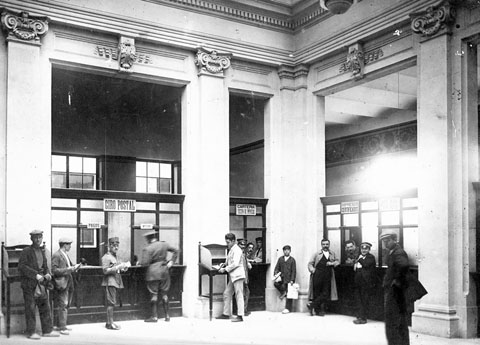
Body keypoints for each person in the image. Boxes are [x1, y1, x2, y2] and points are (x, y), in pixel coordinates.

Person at [18, 230, 60, 339]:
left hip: (42, 284)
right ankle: (31, 332)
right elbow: (22, 267)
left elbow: (45, 266)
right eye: (36, 237)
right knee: (31, 308)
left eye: (40, 237)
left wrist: (47, 274)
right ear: (31, 239)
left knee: (45, 306)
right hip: (29, 284)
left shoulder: (42, 251)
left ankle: (47, 331)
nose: (38, 240)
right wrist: (36, 275)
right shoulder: (26, 251)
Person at [140, 231, 179, 323]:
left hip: (153, 273)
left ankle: (154, 317)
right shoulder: (164, 244)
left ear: (148, 239)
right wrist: (172, 261)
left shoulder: (148, 248)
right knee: (164, 294)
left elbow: (145, 264)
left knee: (154, 294)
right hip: (164, 271)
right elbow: (176, 250)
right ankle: (167, 316)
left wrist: (140, 263)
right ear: (156, 237)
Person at [380, 229, 410, 345]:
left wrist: (396, 281)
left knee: (393, 320)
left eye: (387, 241)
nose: (385, 243)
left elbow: (404, 266)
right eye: (383, 241)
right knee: (398, 320)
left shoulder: (398, 252)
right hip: (394, 290)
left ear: (395, 240)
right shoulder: (393, 251)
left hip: (395, 292)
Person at [52, 237, 80, 335]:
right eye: (69, 244)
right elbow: (54, 270)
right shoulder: (57, 255)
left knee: (66, 304)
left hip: (68, 282)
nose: (70, 246)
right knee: (63, 305)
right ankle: (62, 327)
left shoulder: (65, 255)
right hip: (62, 283)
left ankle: (62, 325)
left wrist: (75, 267)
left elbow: (69, 266)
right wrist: (69, 269)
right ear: (64, 245)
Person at [216, 233, 246, 322]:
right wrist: (224, 264)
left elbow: (235, 263)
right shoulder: (232, 249)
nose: (227, 244)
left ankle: (240, 316)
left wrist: (225, 269)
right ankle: (226, 314)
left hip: (238, 276)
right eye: (226, 242)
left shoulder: (237, 250)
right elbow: (230, 260)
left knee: (239, 295)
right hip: (233, 276)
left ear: (233, 241)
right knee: (227, 293)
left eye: (228, 242)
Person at [101, 237, 129, 330]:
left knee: (112, 303)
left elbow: (117, 268)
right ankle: (110, 324)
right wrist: (117, 267)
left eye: (117, 246)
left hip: (115, 281)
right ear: (109, 246)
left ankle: (109, 322)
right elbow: (105, 271)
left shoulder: (115, 257)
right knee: (111, 303)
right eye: (113, 246)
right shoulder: (106, 257)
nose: (116, 247)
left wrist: (124, 267)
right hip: (110, 281)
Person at [307, 238, 339, 316]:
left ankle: (312, 305)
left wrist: (332, 263)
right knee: (317, 292)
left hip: (328, 275)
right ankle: (318, 311)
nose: (325, 246)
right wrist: (312, 270)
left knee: (325, 293)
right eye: (324, 244)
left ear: (329, 245)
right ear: (321, 245)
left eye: (327, 244)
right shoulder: (316, 254)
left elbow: (337, 261)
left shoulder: (332, 253)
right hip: (317, 274)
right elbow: (310, 263)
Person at [353, 242, 376, 324]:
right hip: (358, 281)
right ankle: (359, 315)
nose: (364, 250)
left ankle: (363, 318)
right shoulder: (359, 257)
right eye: (362, 248)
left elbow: (366, 265)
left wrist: (358, 259)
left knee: (364, 300)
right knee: (358, 299)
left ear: (369, 249)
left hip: (366, 282)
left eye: (366, 249)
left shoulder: (371, 257)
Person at [273, 245, 296, 314]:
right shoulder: (280, 259)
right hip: (282, 278)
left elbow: (294, 271)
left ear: (290, 251)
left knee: (290, 293)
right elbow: (276, 268)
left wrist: (292, 279)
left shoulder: (292, 260)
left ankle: (288, 308)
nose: (286, 251)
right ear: (283, 251)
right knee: (276, 284)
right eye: (285, 250)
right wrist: (277, 275)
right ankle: (283, 292)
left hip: (289, 279)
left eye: (288, 250)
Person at [237, 239, 252, 316]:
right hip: (240, 277)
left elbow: (245, 265)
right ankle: (243, 311)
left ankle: (244, 310)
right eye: (241, 245)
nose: (243, 246)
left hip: (244, 277)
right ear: (238, 245)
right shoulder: (238, 254)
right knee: (243, 294)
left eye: (244, 245)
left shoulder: (243, 254)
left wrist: (248, 263)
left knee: (246, 293)